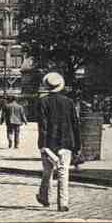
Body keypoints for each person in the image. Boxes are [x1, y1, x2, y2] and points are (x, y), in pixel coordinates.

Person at [36, 72, 81, 212]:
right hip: (66, 142)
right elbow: (75, 124)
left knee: (47, 171)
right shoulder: (69, 102)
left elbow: (42, 125)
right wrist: (77, 145)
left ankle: (45, 197)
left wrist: (42, 144)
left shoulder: (42, 101)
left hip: (49, 142)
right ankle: (63, 203)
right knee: (63, 172)